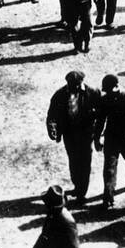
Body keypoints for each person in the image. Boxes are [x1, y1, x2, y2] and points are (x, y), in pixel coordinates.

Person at [46, 70, 100, 206]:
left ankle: (82, 193)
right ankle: (77, 185)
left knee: (85, 162)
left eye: (76, 85)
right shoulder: (60, 95)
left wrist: (98, 132)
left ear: (81, 82)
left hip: (86, 133)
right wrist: (52, 129)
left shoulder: (92, 92)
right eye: (71, 85)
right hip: (69, 133)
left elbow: (101, 112)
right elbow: (52, 115)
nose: (74, 87)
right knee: (74, 161)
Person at [94, 75, 125, 207]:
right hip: (111, 137)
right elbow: (100, 120)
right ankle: (108, 197)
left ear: (116, 86)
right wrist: (97, 138)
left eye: (110, 90)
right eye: (107, 91)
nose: (108, 93)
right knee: (109, 168)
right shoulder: (104, 100)